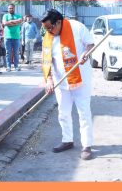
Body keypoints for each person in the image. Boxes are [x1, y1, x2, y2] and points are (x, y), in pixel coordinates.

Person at [41, 9, 95, 160]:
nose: (49, 31)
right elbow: (46, 60)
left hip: (80, 79)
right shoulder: (48, 36)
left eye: (50, 27)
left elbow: (90, 44)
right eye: (46, 29)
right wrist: (49, 79)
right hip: (61, 81)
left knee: (83, 112)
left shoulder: (76, 27)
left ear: (59, 22)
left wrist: (86, 53)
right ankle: (67, 140)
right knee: (63, 113)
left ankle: (86, 145)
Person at [2, 4, 22, 72]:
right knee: (8, 53)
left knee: (16, 52)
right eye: (9, 8)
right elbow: (5, 23)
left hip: (16, 37)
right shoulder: (5, 15)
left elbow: (19, 21)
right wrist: (14, 22)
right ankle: (8, 66)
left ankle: (16, 66)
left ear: (14, 8)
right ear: (8, 9)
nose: (11, 9)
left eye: (12, 8)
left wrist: (9, 22)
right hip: (7, 37)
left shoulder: (18, 15)